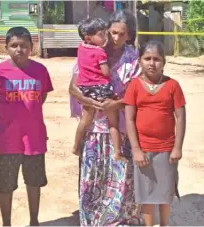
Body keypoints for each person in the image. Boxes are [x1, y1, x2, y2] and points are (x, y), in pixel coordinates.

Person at [69, 10, 143, 226]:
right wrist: (89, 101)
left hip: (120, 127)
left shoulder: (133, 59)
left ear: (129, 35)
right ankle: (93, 218)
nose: (116, 38)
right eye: (112, 33)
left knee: (121, 176)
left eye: (122, 34)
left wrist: (116, 104)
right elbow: (73, 87)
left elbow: (136, 94)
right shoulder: (91, 51)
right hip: (94, 128)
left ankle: (119, 218)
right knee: (94, 175)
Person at [0, 26, 53, 226]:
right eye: (14, 45)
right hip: (7, 139)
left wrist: (30, 115)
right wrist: (6, 118)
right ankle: (6, 223)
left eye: (24, 46)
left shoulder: (40, 71)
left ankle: (34, 220)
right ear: (6, 48)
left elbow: (41, 97)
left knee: (34, 182)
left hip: (34, 138)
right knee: (6, 185)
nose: (19, 49)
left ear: (31, 47)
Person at [124, 40, 185, 226]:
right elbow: (129, 119)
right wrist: (136, 149)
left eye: (157, 59)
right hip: (143, 149)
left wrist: (177, 148)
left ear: (164, 62)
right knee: (147, 194)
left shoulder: (173, 85)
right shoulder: (134, 86)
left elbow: (180, 118)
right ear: (139, 62)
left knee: (165, 193)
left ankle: (164, 224)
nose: (152, 63)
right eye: (147, 58)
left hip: (167, 151)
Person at [72, 17, 124, 162]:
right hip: (100, 88)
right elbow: (106, 72)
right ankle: (118, 152)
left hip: (85, 88)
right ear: (89, 37)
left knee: (85, 120)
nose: (106, 38)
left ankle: (76, 146)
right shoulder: (100, 52)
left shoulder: (81, 47)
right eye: (102, 35)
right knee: (113, 122)